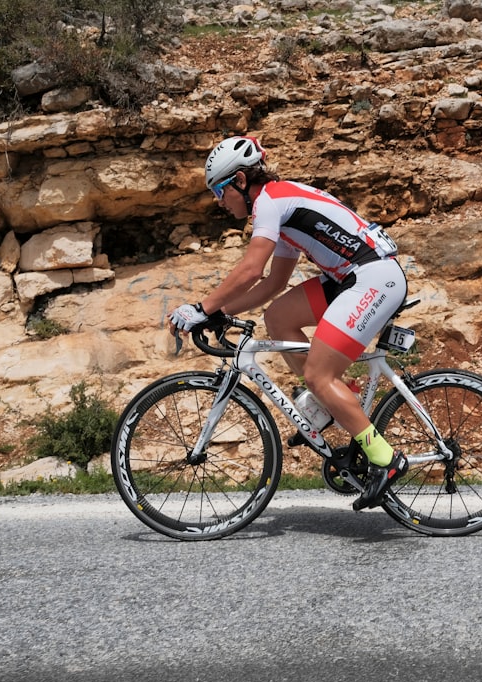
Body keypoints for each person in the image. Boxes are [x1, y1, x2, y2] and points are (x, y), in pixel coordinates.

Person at [168, 136, 409, 511]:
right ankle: (333, 402)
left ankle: (385, 459)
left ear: (241, 181)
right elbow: (274, 284)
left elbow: (250, 269)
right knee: (278, 317)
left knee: (318, 375)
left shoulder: (271, 202)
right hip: (351, 277)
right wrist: (219, 312)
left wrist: (201, 307)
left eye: (219, 190)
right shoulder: (280, 208)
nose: (218, 200)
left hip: (374, 277)